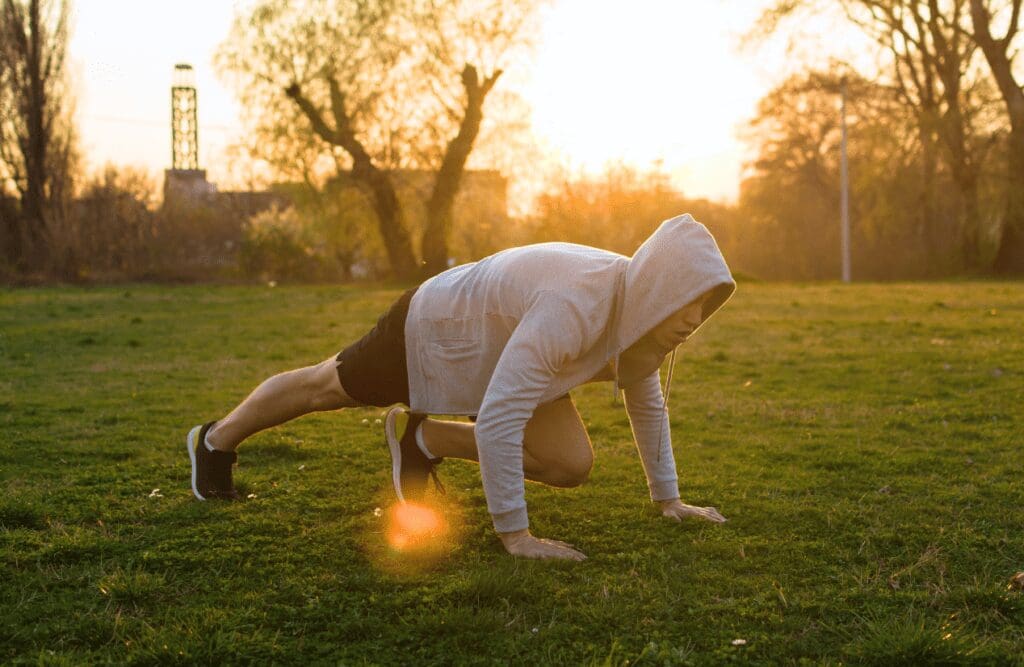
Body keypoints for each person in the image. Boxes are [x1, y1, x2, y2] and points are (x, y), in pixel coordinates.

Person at [187, 213, 736, 561]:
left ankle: (423, 441)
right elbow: (500, 420)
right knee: (325, 387)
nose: (694, 316)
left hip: (508, 343)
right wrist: (516, 537)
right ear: (659, 286)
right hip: (436, 323)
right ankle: (215, 440)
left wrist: (669, 499)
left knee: (569, 464)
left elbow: (646, 398)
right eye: (687, 298)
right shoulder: (576, 306)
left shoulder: (643, 316)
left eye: (705, 301)